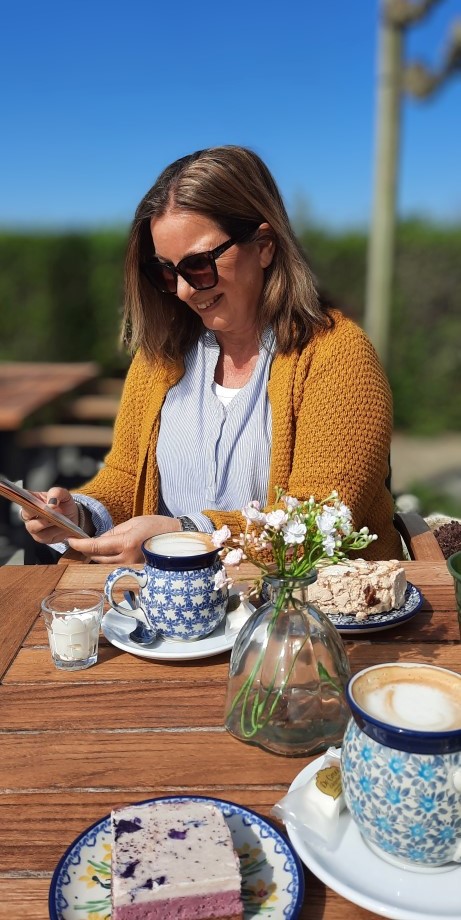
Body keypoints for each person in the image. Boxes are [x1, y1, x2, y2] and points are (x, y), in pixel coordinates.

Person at [23, 145, 403, 563]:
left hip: (297, 616)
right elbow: (128, 478)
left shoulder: (336, 355)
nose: (184, 290)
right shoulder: (161, 360)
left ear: (264, 246)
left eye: (199, 265)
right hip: (171, 612)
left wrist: (189, 535)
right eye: (165, 272)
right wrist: (80, 514)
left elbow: (322, 521)